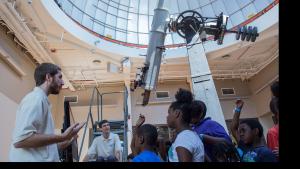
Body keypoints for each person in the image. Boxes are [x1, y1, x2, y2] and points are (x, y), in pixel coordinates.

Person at [9, 63, 85, 162]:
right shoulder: (35, 99)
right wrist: (62, 137)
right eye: (60, 77)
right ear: (48, 77)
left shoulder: (42, 101)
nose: (62, 82)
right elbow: (21, 140)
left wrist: (65, 141)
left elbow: (42, 150)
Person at [167, 88, 204, 162]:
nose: (167, 116)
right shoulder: (187, 136)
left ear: (177, 113)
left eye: (169, 113)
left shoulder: (184, 138)